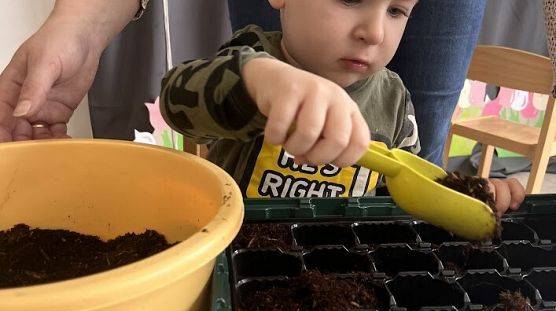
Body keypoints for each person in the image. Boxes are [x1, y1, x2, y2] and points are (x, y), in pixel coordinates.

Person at [159, 0, 524, 213]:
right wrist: (258, 81)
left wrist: (469, 198)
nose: (375, 32)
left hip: (345, 269)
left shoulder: (394, 101)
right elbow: (176, 103)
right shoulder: (252, 61)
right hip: (240, 262)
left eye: (396, 10)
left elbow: (409, 196)